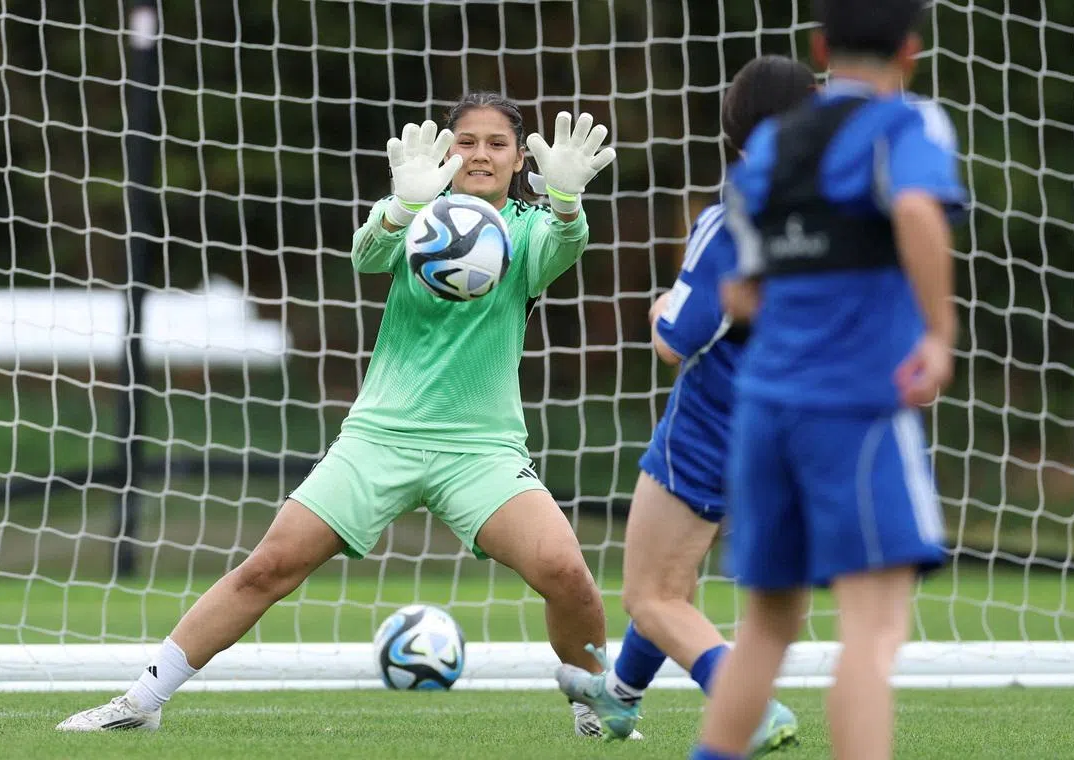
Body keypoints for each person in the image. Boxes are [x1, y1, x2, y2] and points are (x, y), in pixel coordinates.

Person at [56, 91, 622, 737]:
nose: (481, 155)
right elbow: (366, 255)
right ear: (445, 148)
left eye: (497, 144)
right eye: (467, 141)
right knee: (270, 566)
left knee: (567, 574)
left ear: (522, 158)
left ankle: (594, 705)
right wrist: (404, 206)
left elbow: (562, 248)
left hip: (481, 448)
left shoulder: (528, 228)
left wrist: (568, 202)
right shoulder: (416, 208)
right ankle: (141, 702)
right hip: (381, 437)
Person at [692, 1, 967, 758]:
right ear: (911, 50)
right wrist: (939, 335)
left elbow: (741, 292)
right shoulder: (907, 124)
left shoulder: (771, 145)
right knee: (872, 635)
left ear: (820, 45)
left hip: (764, 409)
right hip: (855, 410)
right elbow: (915, 207)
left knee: (766, 629)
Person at [554, 56, 813, 752]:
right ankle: (619, 697)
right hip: (783, 429)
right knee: (675, 579)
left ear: (737, 124)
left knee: (651, 596)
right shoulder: (828, 208)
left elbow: (680, 336)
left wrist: (660, 309)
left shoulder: (735, 212)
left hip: (710, 426)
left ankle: (748, 706)